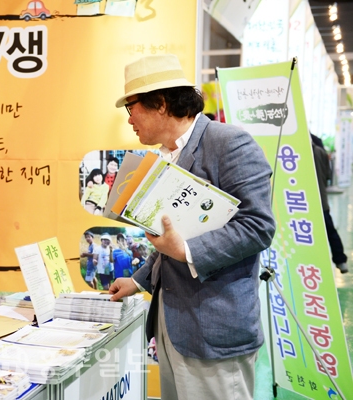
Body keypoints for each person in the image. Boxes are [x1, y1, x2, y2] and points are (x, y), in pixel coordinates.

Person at [109, 54, 275, 400]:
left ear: (160, 103)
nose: (129, 119)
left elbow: (258, 226)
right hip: (172, 326)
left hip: (213, 329)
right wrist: (138, 281)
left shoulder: (229, 144)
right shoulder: (165, 157)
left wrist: (186, 250)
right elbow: (170, 239)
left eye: (132, 107)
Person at [311, 133, 348, 273]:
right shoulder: (320, 150)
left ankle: (315, 264)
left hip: (304, 203)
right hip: (322, 200)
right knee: (330, 230)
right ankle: (340, 261)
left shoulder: (298, 151)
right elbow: (328, 175)